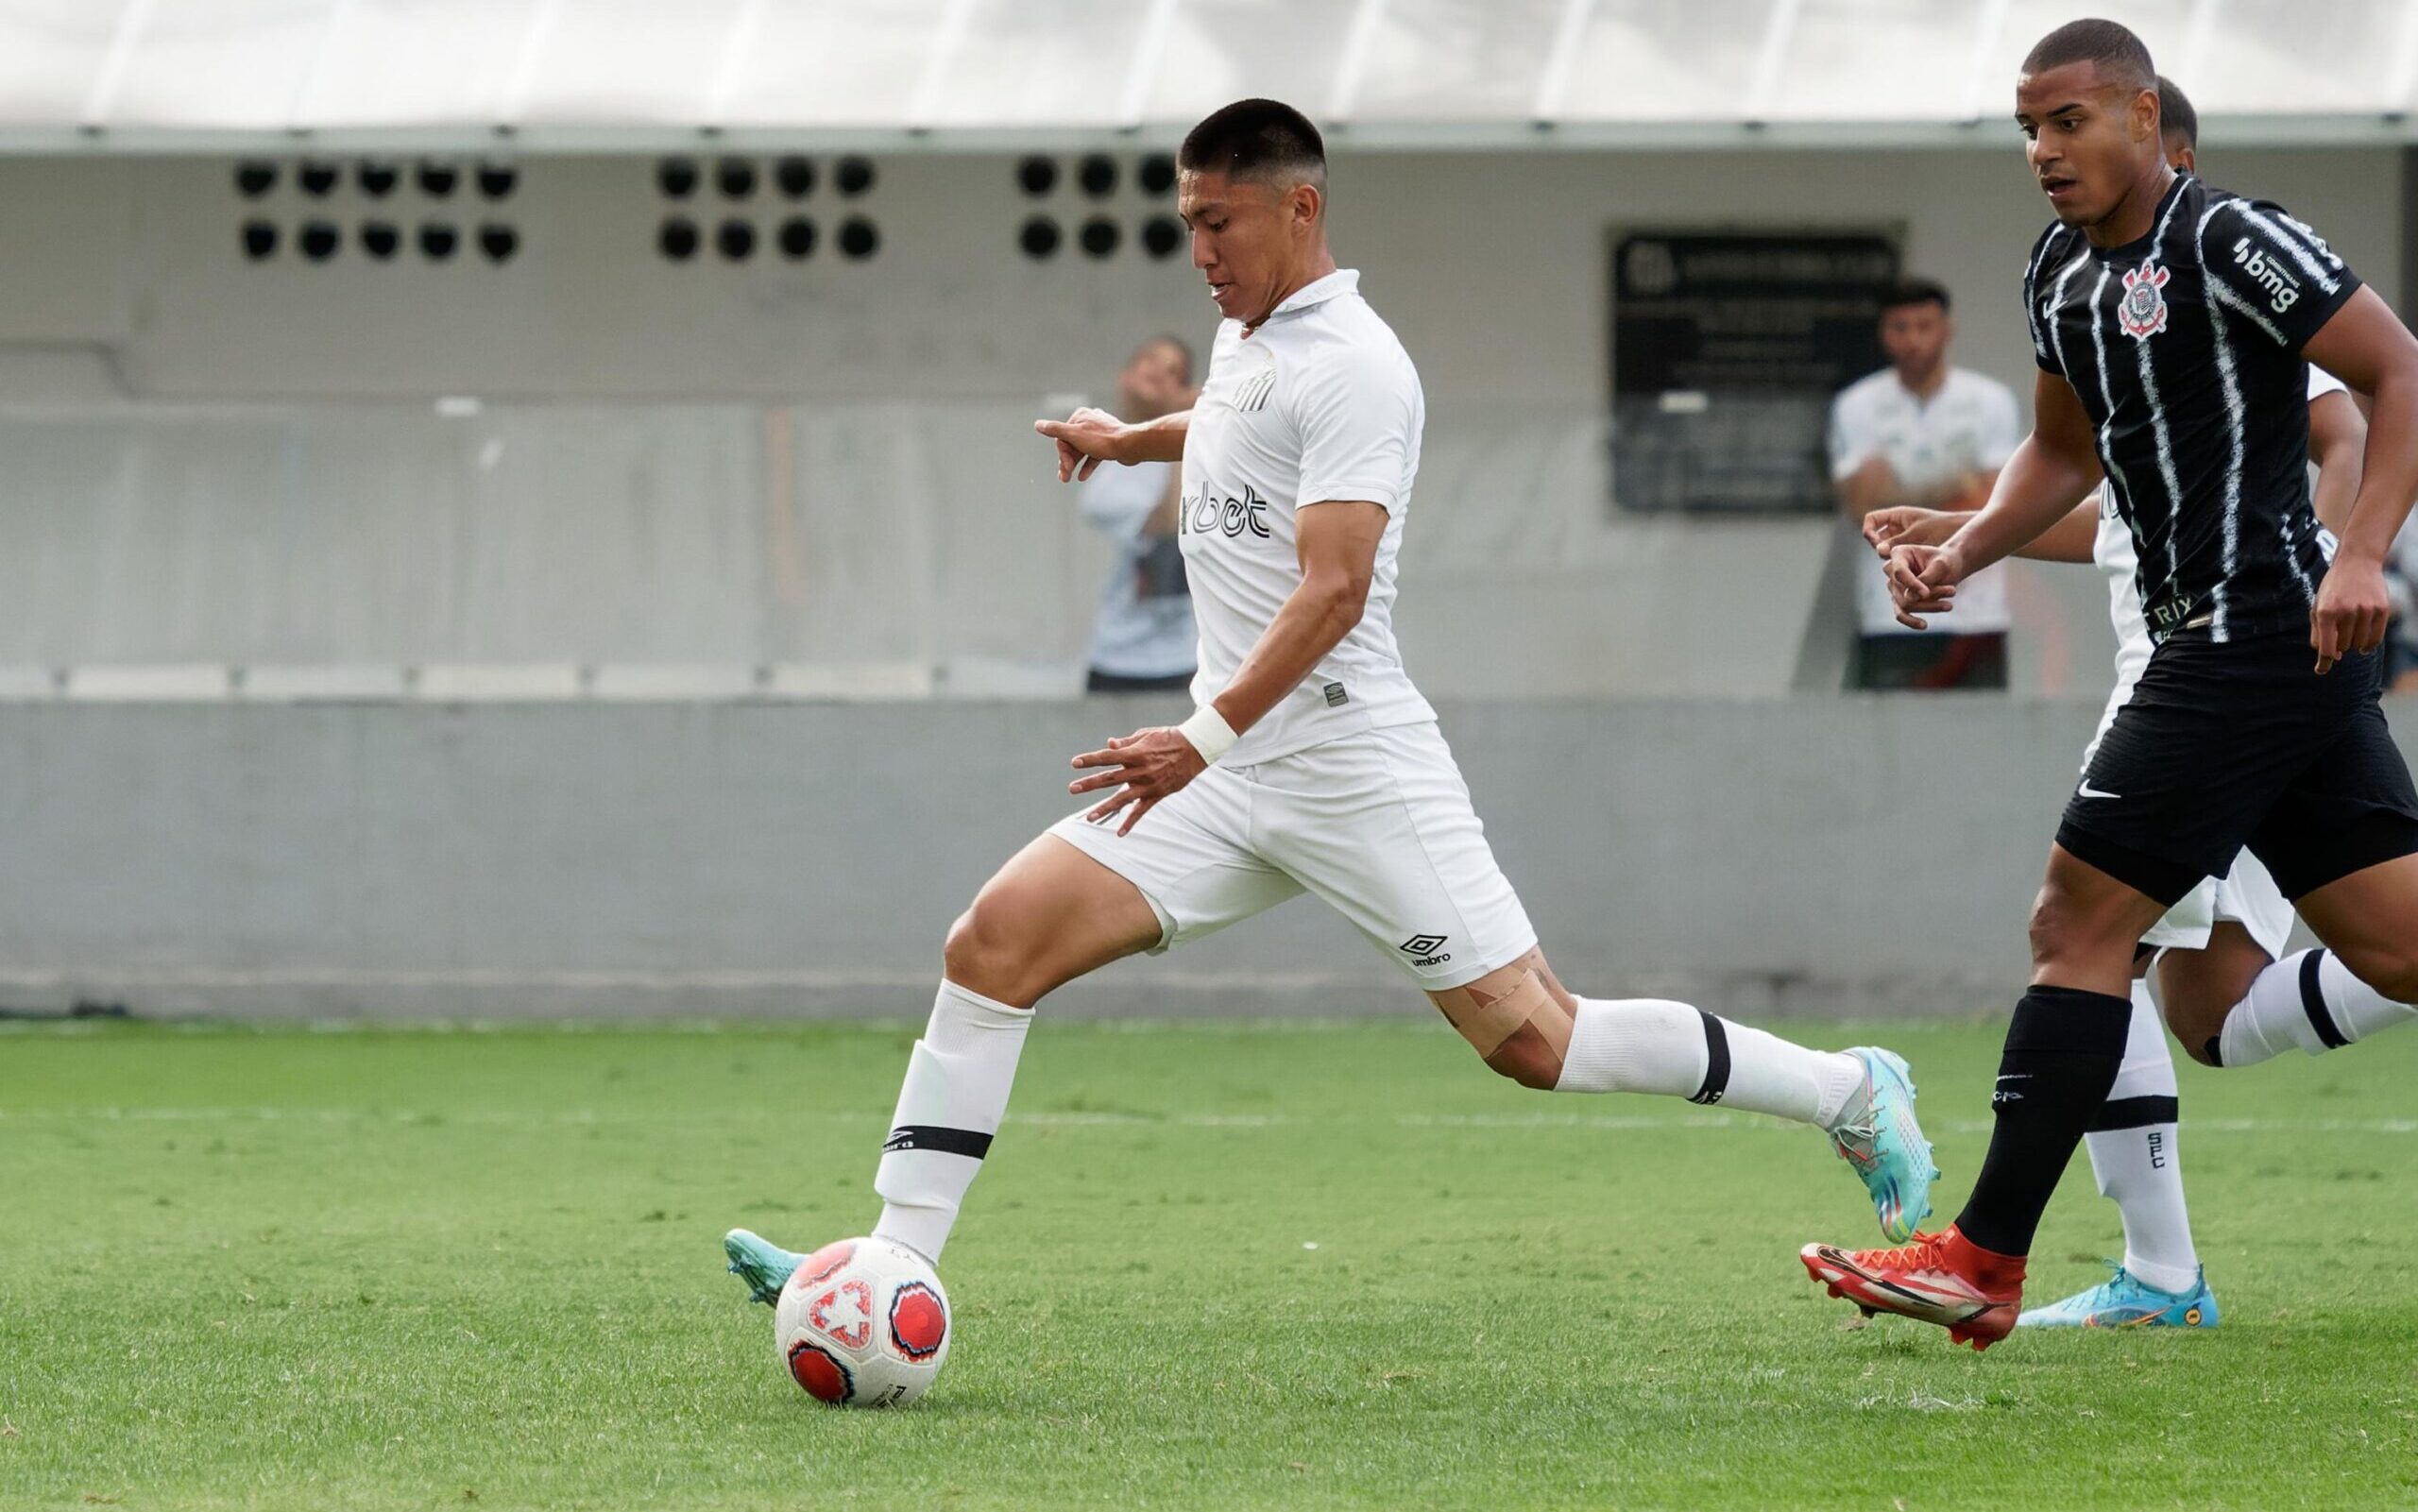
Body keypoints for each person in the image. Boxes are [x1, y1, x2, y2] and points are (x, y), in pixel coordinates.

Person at [723, 99, 1939, 1316]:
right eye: (1186, 222)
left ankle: (1845, 1088)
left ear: (1298, 208)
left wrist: (1194, 739)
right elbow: (1241, 429)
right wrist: (1130, 436)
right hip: (1228, 768)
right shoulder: (1256, 334)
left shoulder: (1358, 362)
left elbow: (1337, 589)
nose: (1198, 249)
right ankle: (889, 1266)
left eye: (1217, 221)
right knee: (991, 947)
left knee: (1540, 1044)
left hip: (1346, 761)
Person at [1801, 19, 2418, 1351]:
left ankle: (1983, 1255)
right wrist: (1963, 548)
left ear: (2146, 119)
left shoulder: (2232, 237)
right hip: (2256, 655)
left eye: (2069, 121)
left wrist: (2361, 549)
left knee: (2076, 928)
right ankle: (2118, 1267)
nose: (2043, 149)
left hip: (2241, 637)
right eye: (2029, 126)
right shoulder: (2059, 272)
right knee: (2397, 944)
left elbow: (2392, 370)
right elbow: (2059, 452)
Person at [1830, 280, 2021, 689]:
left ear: (1946, 330)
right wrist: (1955, 483)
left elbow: (1991, 506)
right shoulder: (1857, 405)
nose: (1913, 339)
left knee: (1981, 739)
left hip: (1977, 611)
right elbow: (1864, 509)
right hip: (1888, 612)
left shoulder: (1990, 401)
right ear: (1884, 334)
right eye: (1900, 327)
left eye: (1924, 325)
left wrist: (1899, 493)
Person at [1081, 335, 1200, 692]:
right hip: (1118, 657)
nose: (1161, 373)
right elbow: (1169, 528)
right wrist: (1187, 430)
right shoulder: (1107, 471)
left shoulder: (1214, 448)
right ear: (1126, 377)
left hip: (1187, 657)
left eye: (1174, 371)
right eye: (1151, 361)